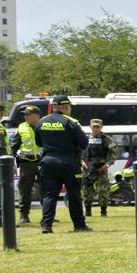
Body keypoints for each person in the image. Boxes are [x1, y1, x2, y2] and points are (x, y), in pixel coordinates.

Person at [36, 96, 90, 233]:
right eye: (70, 106)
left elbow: (38, 142)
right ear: (65, 106)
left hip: (48, 161)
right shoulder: (71, 122)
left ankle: (46, 226)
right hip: (69, 162)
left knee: (49, 195)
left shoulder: (42, 121)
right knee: (74, 194)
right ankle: (79, 225)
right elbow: (84, 143)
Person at [10, 104, 43, 225]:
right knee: (25, 190)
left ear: (37, 116)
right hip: (26, 163)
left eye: (28, 115)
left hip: (42, 161)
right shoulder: (22, 127)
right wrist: (11, 162)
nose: (25, 117)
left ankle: (48, 214)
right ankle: (24, 215)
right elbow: (14, 146)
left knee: (46, 188)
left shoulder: (44, 126)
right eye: (25, 115)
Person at [82, 118, 112, 218]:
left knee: (103, 191)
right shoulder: (85, 139)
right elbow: (78, 152)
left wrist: (107, 164)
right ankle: (88, 212)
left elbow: (114, 153)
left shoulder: (106, 139)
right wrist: (81, 162)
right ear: (90, 127)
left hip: (101, 169)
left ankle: (103, 212)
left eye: (98, 127)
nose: (96, 129)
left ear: (101, 127)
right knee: (86, 191)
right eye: (94, 127)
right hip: (87, 168)